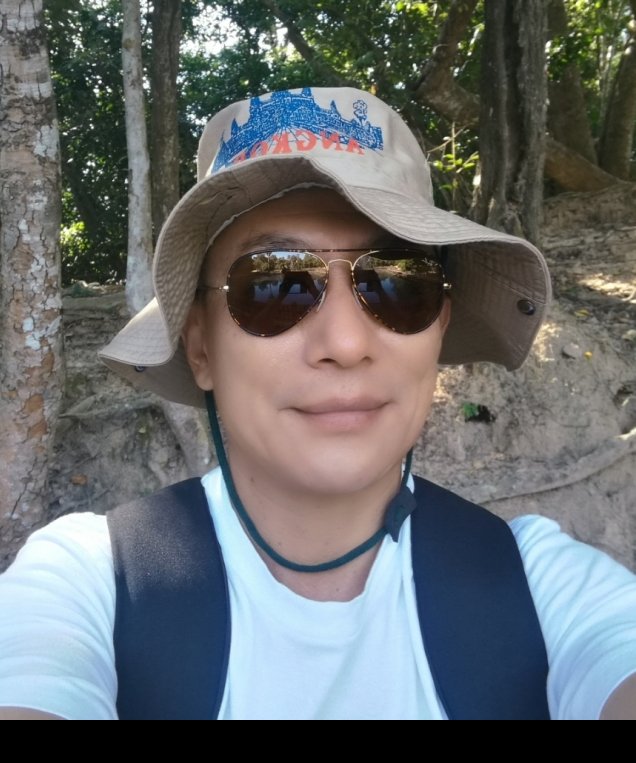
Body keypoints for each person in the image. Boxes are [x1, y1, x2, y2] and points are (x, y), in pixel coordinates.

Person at [1, 86, 635, 720]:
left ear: (439, 326)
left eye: (397, 283)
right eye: (273, 284)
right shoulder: (89, 583)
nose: (346, 344)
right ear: (200, 347)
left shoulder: (542, 588)